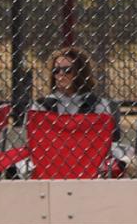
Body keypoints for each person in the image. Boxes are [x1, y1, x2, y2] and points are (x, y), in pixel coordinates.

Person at [24, 47, 127, 176]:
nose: (61, 74)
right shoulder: (42, 106)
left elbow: (109, 142)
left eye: (67, 70)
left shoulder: (97, 105)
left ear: (80, 72)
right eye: (56, 70)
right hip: (51, 162)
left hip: (89, 164)